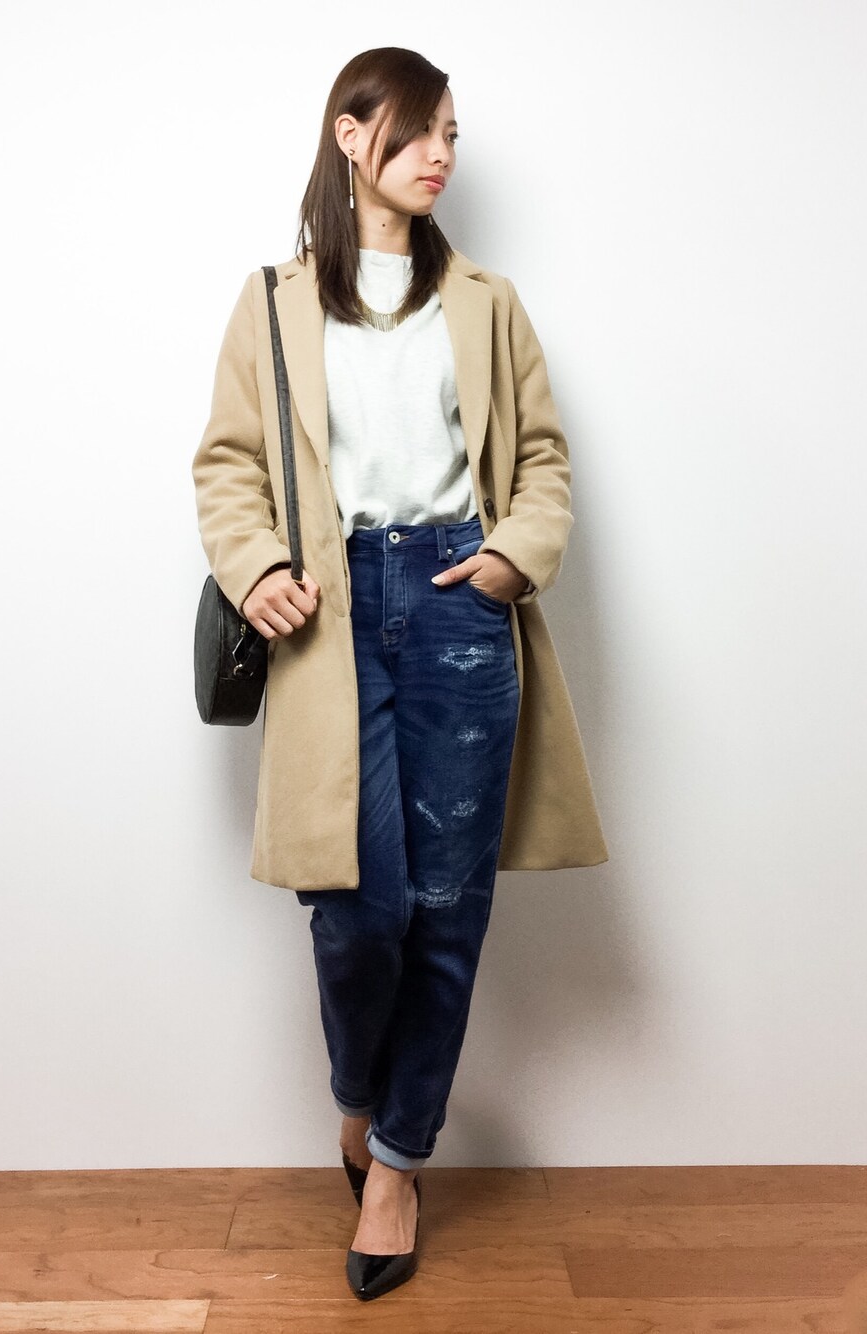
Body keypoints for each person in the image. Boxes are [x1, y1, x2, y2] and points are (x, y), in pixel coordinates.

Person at [192, 46, 608, 1301]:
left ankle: (397, 1162)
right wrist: (256, 563)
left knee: (445, 905)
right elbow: (228, 463)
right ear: (348, 134)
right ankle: (358, 1097)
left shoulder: (486, 301)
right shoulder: (272, 301)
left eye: (452, 136)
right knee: (357, 906)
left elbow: (543, 461)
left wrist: (508, 559)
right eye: (420, 130)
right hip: (327, 612)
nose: (440, 154)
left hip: (456, 602)